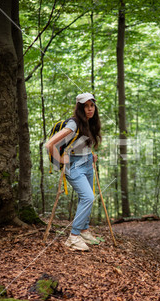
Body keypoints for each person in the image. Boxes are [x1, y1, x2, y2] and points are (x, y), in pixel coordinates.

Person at [45, 92, 102, 251]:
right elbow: (50, 144)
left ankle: (84, 231)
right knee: (88, 197)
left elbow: (82, 144)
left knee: (86, 197)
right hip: (74, 166)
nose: (90, 109)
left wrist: (91, 155)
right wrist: (61, 160)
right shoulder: (74, 124)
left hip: (87, 163)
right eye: (86, 106)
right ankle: (73, 237)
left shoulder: (89, 122)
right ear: (79, 108)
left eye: (92, 106)